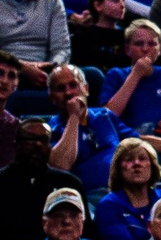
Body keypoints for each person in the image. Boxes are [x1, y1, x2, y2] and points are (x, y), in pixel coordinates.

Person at [0, 121, 85, 240]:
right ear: (17, 144)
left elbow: (85, 230)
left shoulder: (69, 183)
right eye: (30, 139)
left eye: (43, 140)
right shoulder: (2, 181)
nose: (38, 145)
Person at [48, 63, 132, 197]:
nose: (68, 93)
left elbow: (137, 141)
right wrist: (74, 116)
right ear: (52, 98)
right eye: (60, 88)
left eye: (73, 85)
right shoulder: (53, 128)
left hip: (124, 190)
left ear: (86, 89)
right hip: (86, 196)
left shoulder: (105, 116)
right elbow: (60, 166)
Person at [95, 139, 161, 240]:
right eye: (129, 160)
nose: (136, 163)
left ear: (152, 165)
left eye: (142, 159)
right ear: (118, 168)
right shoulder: (108, 206)